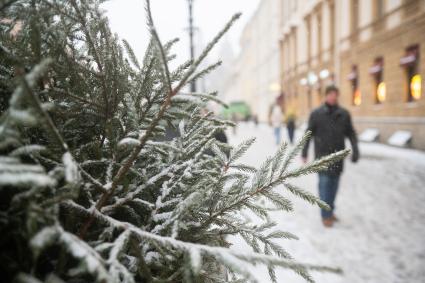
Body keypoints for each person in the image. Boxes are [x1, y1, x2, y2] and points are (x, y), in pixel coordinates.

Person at [301, 85, 359, 228]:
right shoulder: (316, 114)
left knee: (334, 187)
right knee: (324, 185)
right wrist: (304, 151)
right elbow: (308, 134)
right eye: (330, 94)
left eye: (335, 94)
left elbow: (351, 133)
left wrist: (355, 149)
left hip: (338, 156)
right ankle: (326, 215)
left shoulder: (344, 114)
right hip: (322, 156)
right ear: (326, 96)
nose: (333, 97)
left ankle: (330, 210)